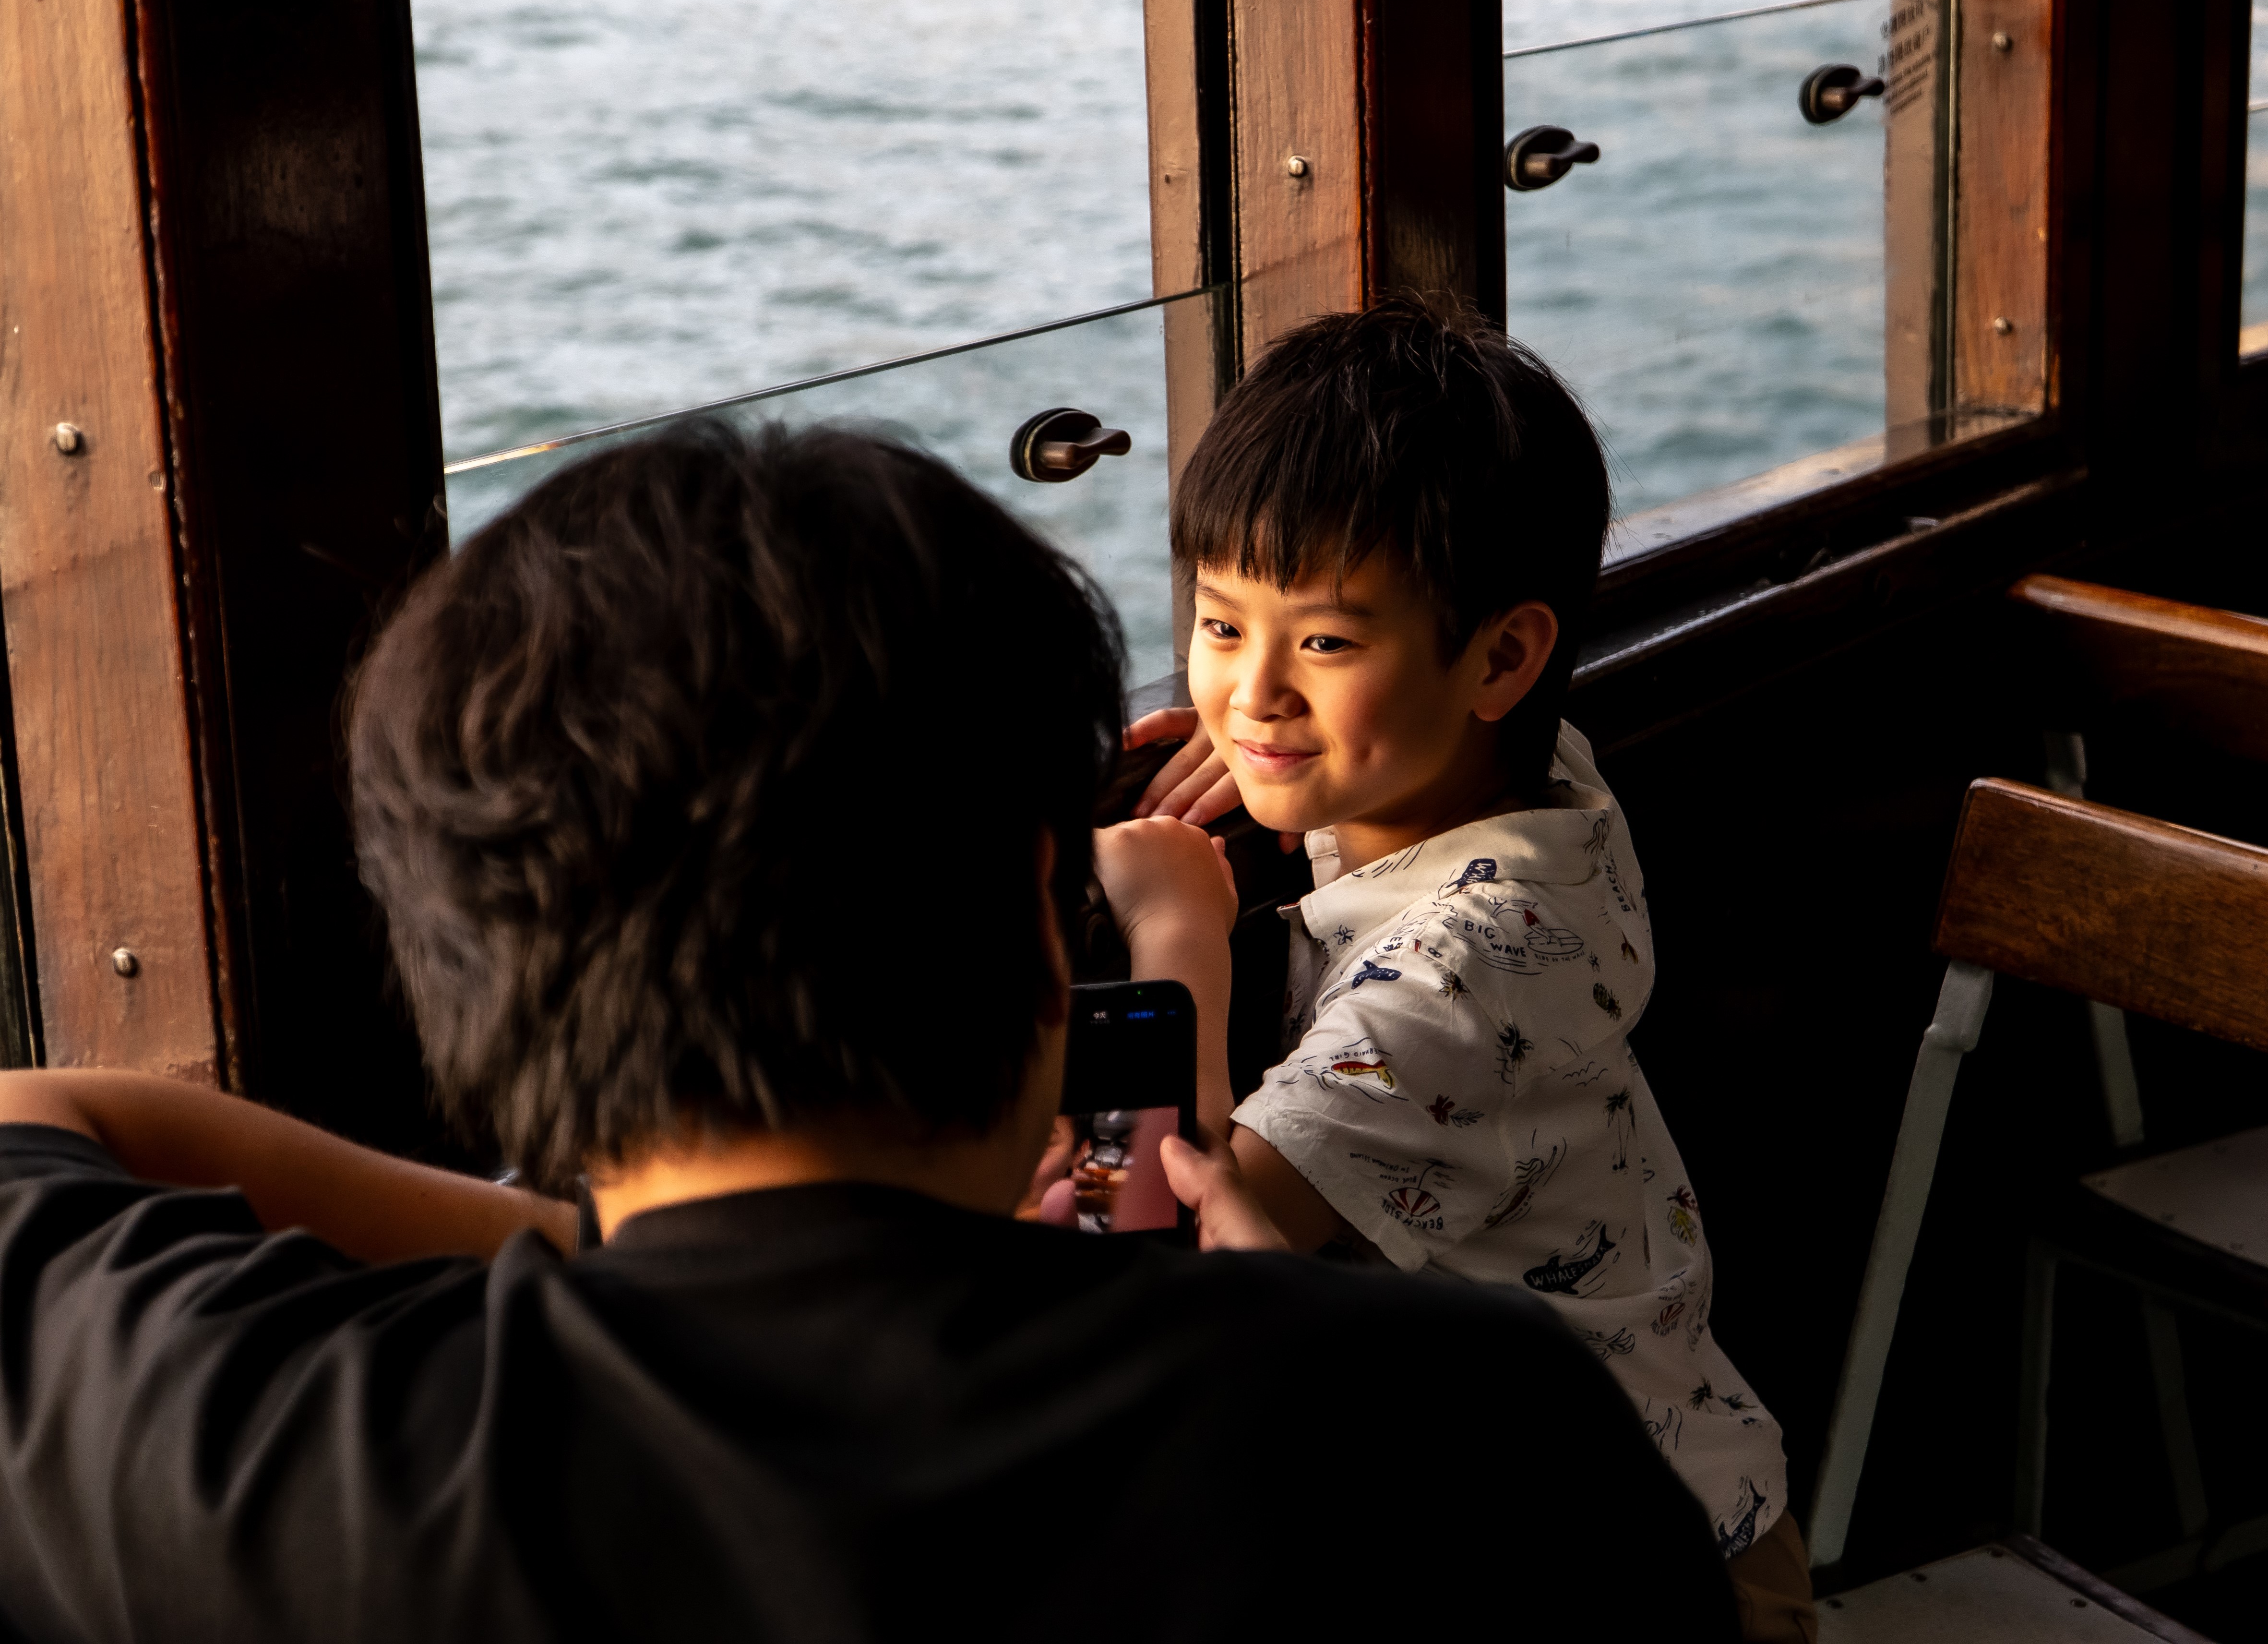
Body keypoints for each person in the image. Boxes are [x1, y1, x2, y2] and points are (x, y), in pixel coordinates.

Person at [0, 421, 1739, 1642]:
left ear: (460, 962)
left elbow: (41, 1114)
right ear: (1039, 927)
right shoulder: (1461, 1431)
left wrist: (609, 1243)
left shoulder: (271, 1461)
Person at [1095, 298, 1816, 1643]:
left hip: (1639, 1586)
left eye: (1323, 643)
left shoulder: (1466, 969)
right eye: (1220, 625)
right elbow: (1354, 717)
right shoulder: (1538, 783)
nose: (1252, 693)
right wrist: (1277, 753)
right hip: (1599, 1504)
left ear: (1503, 657)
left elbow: (1180, 1226)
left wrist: (1174, 934)